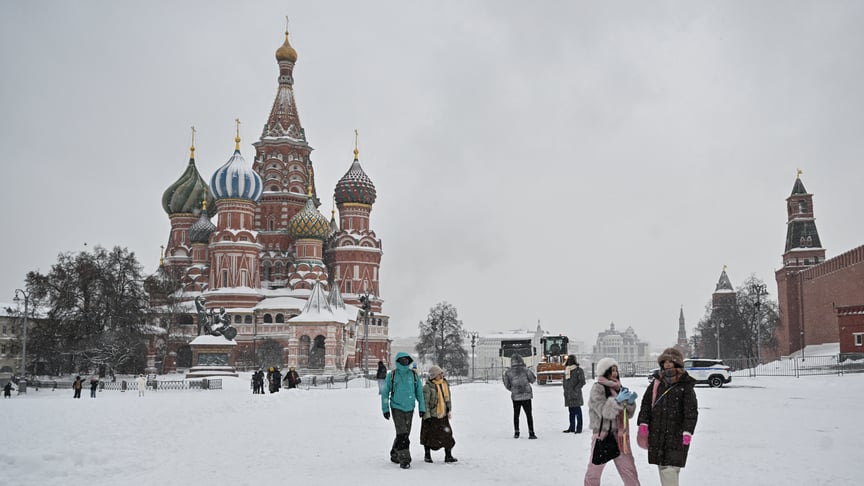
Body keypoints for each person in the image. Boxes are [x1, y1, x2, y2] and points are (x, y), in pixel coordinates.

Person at [637, 348, 698, 486]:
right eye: (665, 362)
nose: (668, 364)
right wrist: (643, 423)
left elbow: (691, 411)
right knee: (664, 467)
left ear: (677, 364)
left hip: (676, 434)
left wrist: (688, 431)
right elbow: (646, 403)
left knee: (670, 468)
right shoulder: (657, 382)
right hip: (657, 432)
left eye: (671, 362)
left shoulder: (685, 384)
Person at [584, 357, 640, 486]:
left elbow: (628, 415)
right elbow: (603, 412)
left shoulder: (619, 388)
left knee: (629, 470)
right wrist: (617, 401)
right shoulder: (598, 388)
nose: (614, 373)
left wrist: (630, 403)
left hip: (621, 435)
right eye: (611, 370)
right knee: (594, 470)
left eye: (616, 370)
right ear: (604, 372)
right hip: (603, 433)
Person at [380, 352, 426, 469]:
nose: (404, 362)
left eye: (406, 360)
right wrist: (385, 409)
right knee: (402, 434)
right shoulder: (392, 375)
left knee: (405, 433)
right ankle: (405, 459)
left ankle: (395, 453)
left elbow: (419, 393)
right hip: (396, 407)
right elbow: (385, 392)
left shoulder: (414, 375)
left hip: (410, 408)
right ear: (398, 361)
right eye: (402, 360)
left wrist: (422, 408)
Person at [420, 365, 457, 463]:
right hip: (432, 416)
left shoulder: (444, 384)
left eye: (442, 373)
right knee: (428, 436)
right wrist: (427, 416)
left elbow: (447, 399)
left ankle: (448, 456)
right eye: (439, 374)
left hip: (442, 415)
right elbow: (425, 403)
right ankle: (427, 456)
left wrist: (449, 409)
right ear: (434, 376)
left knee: (447, 435)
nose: (442, 375)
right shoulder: (427, 387)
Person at [503, 353, 537, 439]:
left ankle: (516, 432)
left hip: (516, 396)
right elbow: (533, 379)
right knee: (529, 414)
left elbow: (507, 384)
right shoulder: (525, 370)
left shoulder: (508, 372)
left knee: (516, 414)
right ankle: (531, 433)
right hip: (526, 395)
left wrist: (513, 389)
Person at [562, 354, 586, 433]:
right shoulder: (566, 370)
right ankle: (571, 427)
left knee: (577, 411)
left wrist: (575, 389)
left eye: (571, 360)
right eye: (568, 360)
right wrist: (565, 390)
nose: (569, 361)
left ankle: (579, 428)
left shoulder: (579, 370)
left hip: (576, 394)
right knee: (571, 412)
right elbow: (565, 382)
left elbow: (582, 381)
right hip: (568, 394)